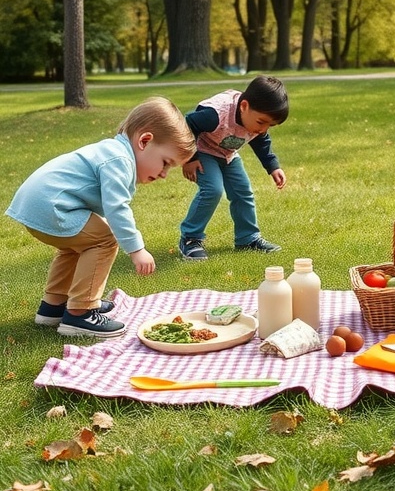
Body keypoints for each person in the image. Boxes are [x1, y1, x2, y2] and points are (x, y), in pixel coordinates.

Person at [6, 97, 195, 339]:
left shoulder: (112, 152)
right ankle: (81, 312)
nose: (164, 174)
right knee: (105, 239)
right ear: (144, 141)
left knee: (76, 246)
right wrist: (137, 249)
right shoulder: (120, 160)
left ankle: (53, 307)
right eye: (165, 163)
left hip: (36, 204)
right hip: (50, 206)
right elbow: (117, 208)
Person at [179, 75, 289, 261]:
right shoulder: (215, 114)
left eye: (269, 125)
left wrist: (273, 166)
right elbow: (186, 125)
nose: (263, 129)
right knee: (212, 190)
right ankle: (190, 238)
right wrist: (190, 157)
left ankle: (248, 238)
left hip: (228, 155)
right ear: (244, 106)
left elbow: (262, 142)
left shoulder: (256, 122)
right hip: (203, 151)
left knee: (243, 192)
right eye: (261, 122)